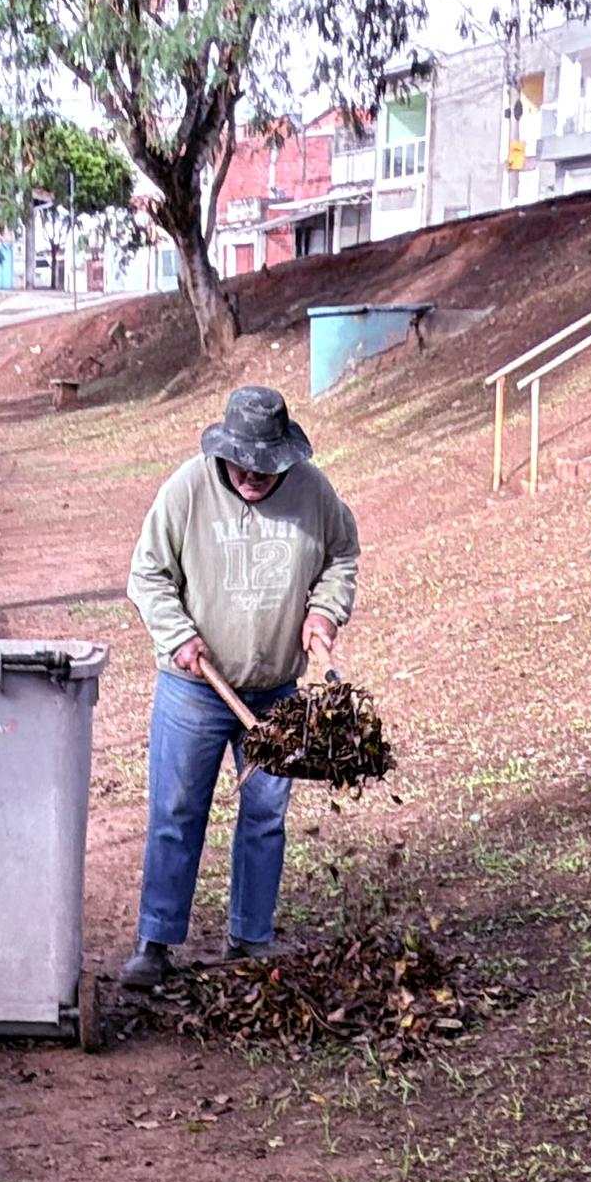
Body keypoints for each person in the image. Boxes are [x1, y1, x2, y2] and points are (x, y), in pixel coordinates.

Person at [119, 384, 359, 985]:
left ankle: (250, 937)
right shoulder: (188, 490)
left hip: (276, 688)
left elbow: (342, 555)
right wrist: (176, 633)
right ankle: (155, 941)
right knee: (177, 810)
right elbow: (147, 572)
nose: (253, 474)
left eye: (266, 465)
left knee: (265, 814)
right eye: (243, 462)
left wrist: (324, 612)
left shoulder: (314, 492)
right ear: (225, 450)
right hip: (195, 688)